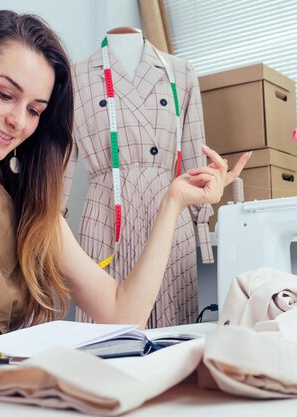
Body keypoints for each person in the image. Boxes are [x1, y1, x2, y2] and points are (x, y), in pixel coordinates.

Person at [0, 10, 250, 359]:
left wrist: (174, 201)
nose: (19, 122)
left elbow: (120, 312)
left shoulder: (28, 203)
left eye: (35, 110)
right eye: (5, 94)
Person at [65, 28, 215, 328]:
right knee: (107, 335)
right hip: (106, 215)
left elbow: (193, 159)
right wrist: (46, 232)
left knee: (175, 340)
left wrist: (202, 224)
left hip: (171, 210)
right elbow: (62, 162)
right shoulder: (75, 76)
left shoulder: (181, 72)